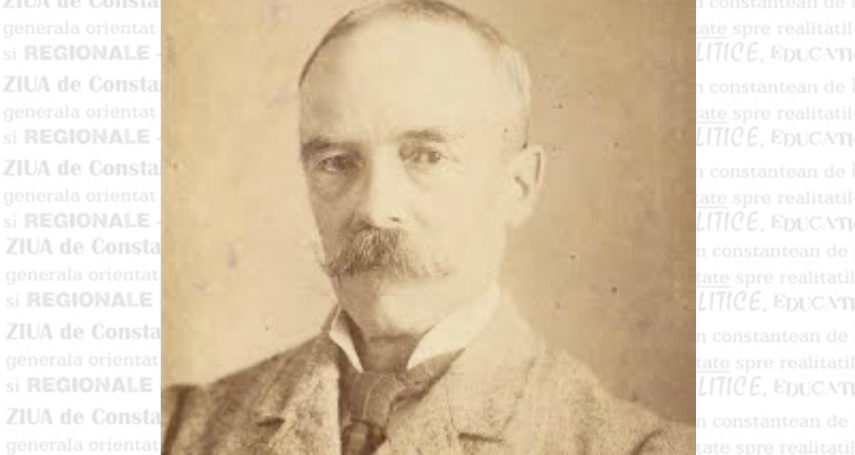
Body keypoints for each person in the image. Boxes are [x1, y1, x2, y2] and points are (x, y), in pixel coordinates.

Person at [161, 1, 694, 453]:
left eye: (427, 156)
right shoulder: (177, 431)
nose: (375, 208)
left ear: (519, 186)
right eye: (337, 162)